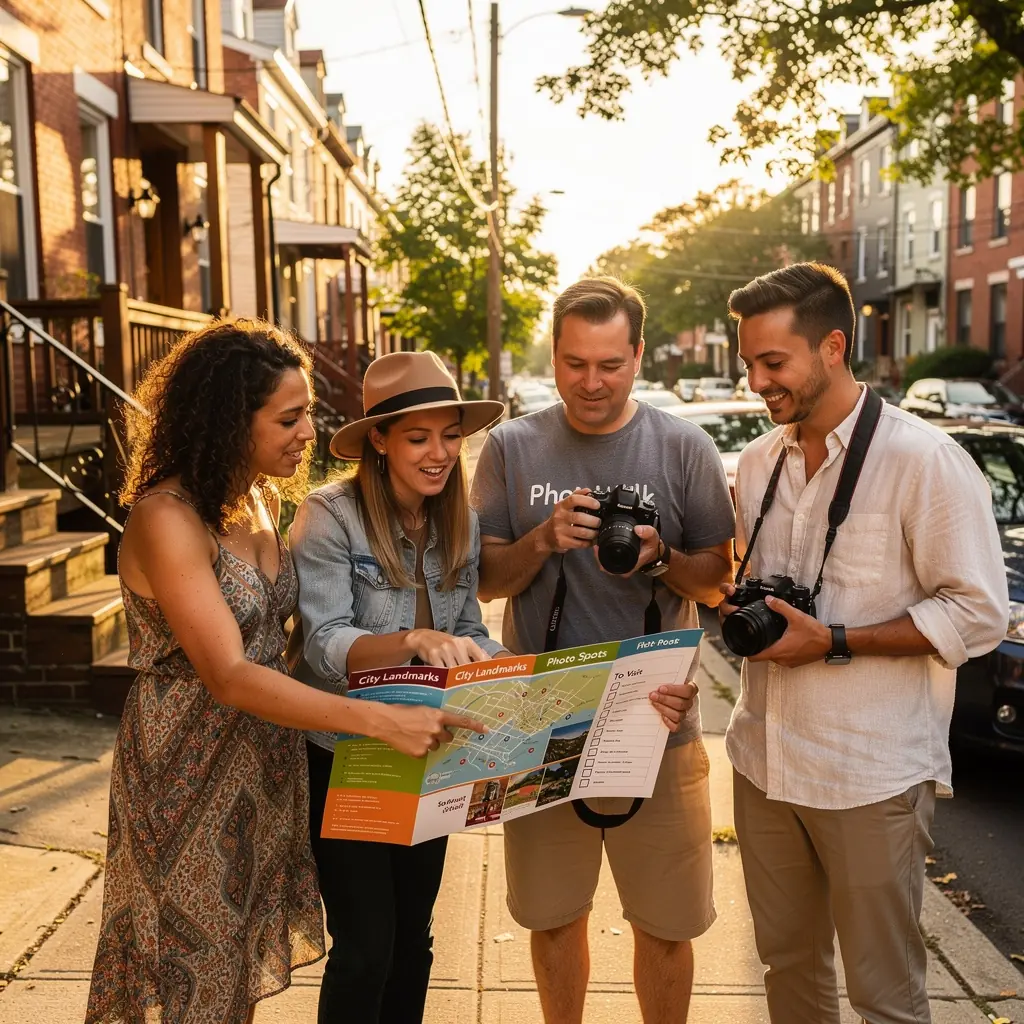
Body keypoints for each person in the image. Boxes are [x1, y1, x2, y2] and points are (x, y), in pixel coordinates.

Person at [86, 322, 484, 1024]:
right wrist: (377, 717)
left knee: (233, 965)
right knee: (192, 967)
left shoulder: (261, 501)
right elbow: (232, 674)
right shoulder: (165, 517)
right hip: (189, 766)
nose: (309, 433)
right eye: (289, 417)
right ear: (228, 422)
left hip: (266, 761)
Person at [722, 263, 1009, 1023]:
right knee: (788, 969)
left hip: (870, 773)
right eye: (747, 362)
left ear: (833, 347)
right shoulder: (758, 463)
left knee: (885, 996)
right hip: (764, 761)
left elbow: (979, 614)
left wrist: (837, 640)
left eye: (772, 362)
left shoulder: (924, 461)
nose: (756, 381)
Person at [470, 277, 736, 1024]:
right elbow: (486, 583)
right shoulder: (512, 448)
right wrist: (543, 539)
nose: (592, 382)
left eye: (611, 364)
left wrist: (659, 558)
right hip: (543, 721)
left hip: (659, 721)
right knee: (553, 916)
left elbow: (719, 582)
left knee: (667, 924)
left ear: (639, 356)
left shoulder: (684, 446)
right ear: (553, 356)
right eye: (575, 363)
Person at [288, 349, 507, 1024]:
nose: (439, 453)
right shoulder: (329, 516)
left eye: (449, 434)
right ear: (378, 441)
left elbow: (467, 625)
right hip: (348, 751)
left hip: (428, 750)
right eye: (418, 437)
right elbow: (324, 647)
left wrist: (509, 672)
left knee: (415, 940)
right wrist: (410, 642)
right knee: (364, 948)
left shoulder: (456, 517)